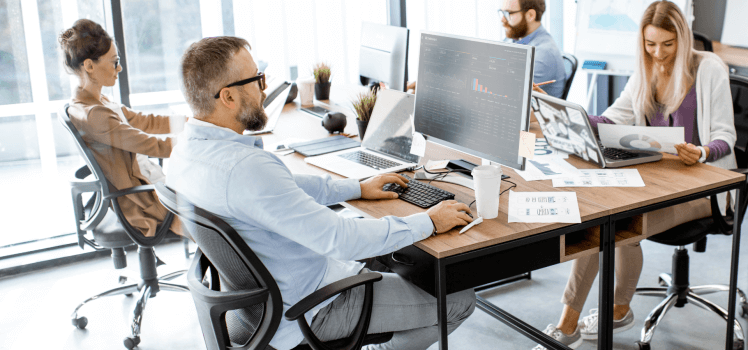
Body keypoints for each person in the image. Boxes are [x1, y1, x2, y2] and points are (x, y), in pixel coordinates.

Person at [167, 36, 477, 350]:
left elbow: (283, 187)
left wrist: (356, 188)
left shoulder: (183, 156)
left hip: (259, 308)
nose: (264, 88)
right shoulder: (246, 168)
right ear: (228, 97)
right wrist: (430, 222)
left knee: (395, 256)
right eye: (257, 79)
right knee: (458, 297)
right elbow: (341, 239)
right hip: (311, 309)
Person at [532, 1, 737, 349]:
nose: (658, 53)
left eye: (667, 45)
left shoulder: (709, 68)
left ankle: (618, 309)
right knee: (598, 219)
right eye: (650, 44)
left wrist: (701, 152)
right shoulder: (646, 70)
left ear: (683, 40)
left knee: (622, 224)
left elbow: (725, 137)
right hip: (655, 179)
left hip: (703, 187)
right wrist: (566, 113)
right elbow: (612, 120)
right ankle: (568, 325)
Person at [61, 19, 187, 238]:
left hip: (146, 181)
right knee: (216, 221)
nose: (119, 68)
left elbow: (144, 121)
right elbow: (150, 145)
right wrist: (201, 141)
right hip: (140, 199)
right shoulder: (94, 114)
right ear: (89, 66)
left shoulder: (95, 102)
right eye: (114, 62)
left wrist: (190, 121)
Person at [500, 0, 566, 98]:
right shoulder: (513, 39)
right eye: (502, 12)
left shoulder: (543, 53)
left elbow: (506, 94)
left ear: (530, 15)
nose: (503, 19)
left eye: (508, 13)